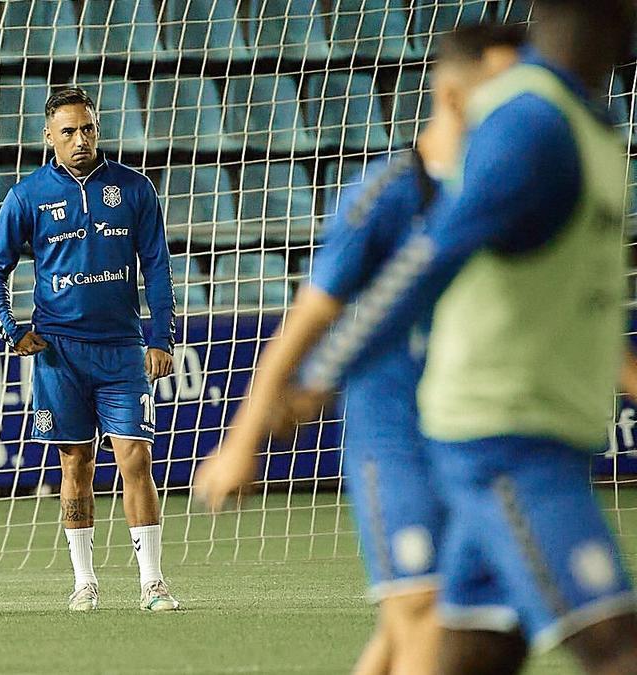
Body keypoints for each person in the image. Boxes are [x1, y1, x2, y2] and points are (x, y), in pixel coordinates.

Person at [200, 1, 637, 672]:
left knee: (451, 637)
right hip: (416, 431)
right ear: (453, 92)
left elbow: (576, 314)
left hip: (481, 423)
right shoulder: (403, 186)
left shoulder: (552, 150)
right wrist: (253, 430)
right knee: (432, 618)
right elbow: (321, 317)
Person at [0, 87, 179, 612]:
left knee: (135, 457)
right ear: (49, 137)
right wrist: (10, 328)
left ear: (98, 129)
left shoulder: (133, 189)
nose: (80, 139)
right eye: (67, 131)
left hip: (121, 348)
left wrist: (160, 337)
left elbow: (157, 267)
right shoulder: (26, 195)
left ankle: (152, 582)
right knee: (76, 464)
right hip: (59, 353)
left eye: (87, 128)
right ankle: (84, 581)